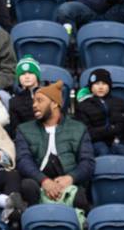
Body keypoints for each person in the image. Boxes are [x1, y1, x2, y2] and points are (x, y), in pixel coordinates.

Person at [15, 82, 94, 211]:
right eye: (33, 101)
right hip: (38, 182)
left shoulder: (78, 128)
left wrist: (70, 178)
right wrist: (44, 181)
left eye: (39, 101)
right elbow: (23, 160)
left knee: (80, 196)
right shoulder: (24, 129)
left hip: (67, 182)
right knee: (27, 186)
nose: (34, 105)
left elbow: (88, 162)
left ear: (55, 103)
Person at [75, 69, 124, 157]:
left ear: (109, 86)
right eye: (96, 84)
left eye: (104, 84)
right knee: (102, 150)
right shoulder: (84, 106)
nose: (100, 87)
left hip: (117, 141)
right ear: (91, 87)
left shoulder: (119, 102)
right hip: (95, 142)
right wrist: (110, 130)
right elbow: (85, 131)